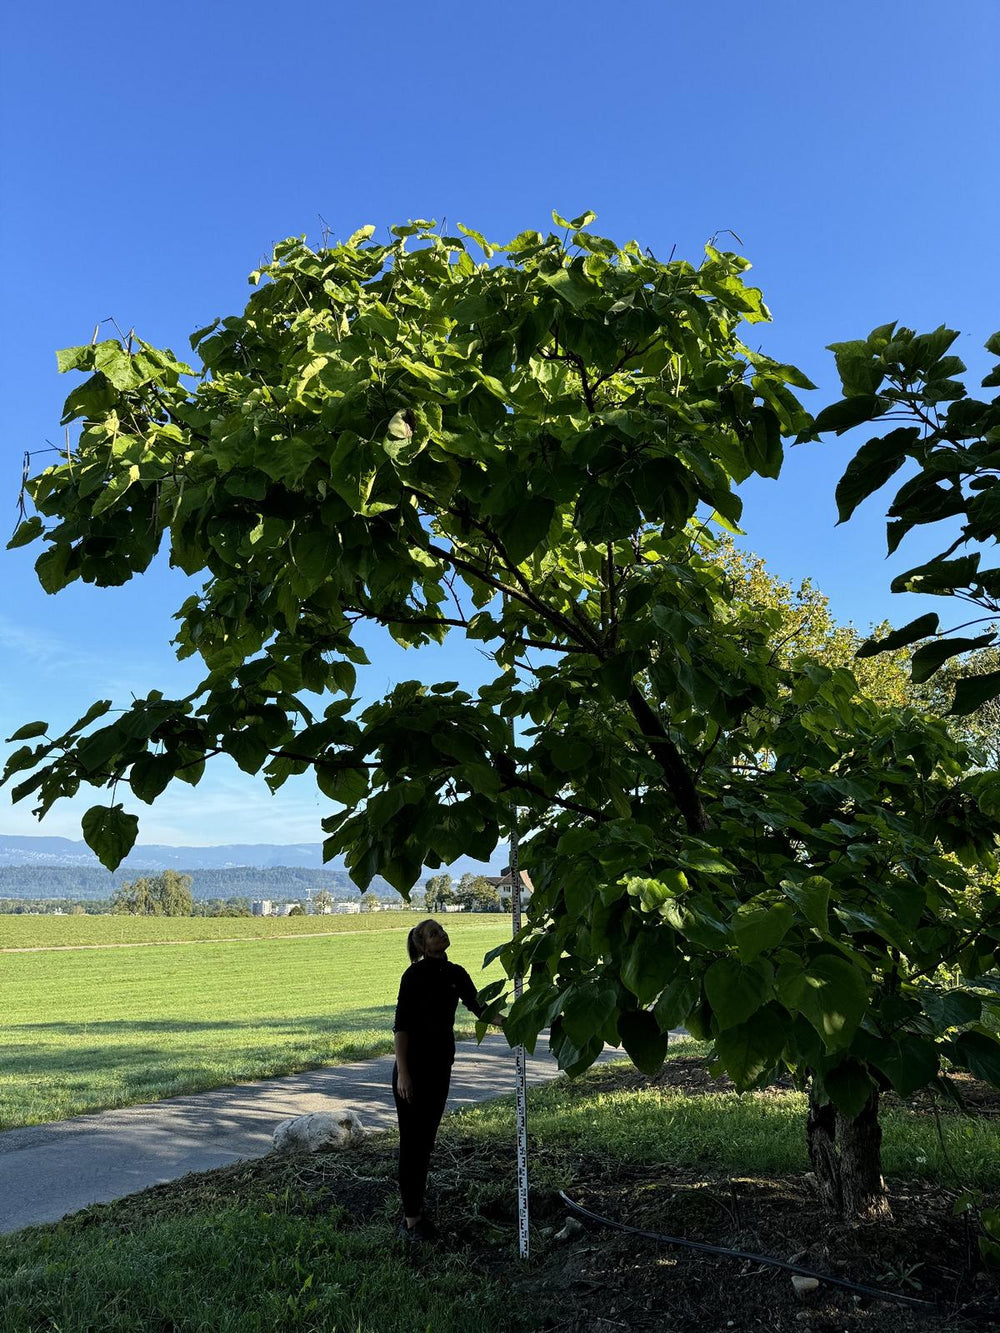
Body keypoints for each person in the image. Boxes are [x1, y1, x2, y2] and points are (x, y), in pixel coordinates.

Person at [392, 917, 484, 1241]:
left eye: (441, 929)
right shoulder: (413, 976)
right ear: (421, 945)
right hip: (412, 1071)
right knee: (412, 1143)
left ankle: (418, 1211)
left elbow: (480, 1008)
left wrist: (519, 1022)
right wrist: (403, 1073)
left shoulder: (456, 973)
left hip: (440, 1066)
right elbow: (401, 1027)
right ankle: (412, 1219)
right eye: (433, 934)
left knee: (426, 1142)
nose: (441, 934)